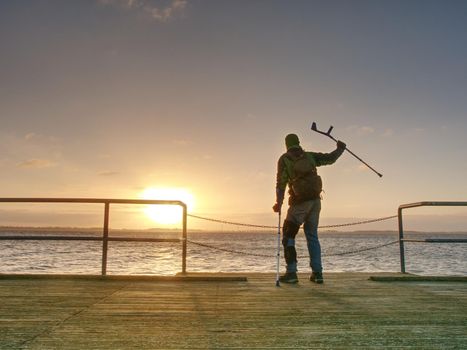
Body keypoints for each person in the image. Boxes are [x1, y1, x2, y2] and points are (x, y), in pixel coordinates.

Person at [273, 133, 346, 284]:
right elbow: (329, 159)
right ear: (298, 142)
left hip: (300, 202)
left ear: (287, 144)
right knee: (312, 235)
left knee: (288, 234)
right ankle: (317, 273)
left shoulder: (285, 159)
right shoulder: (309, 156)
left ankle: (291, 272)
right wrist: (340, 149)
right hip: (316, 201)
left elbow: (281, 183)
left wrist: (278, 203)